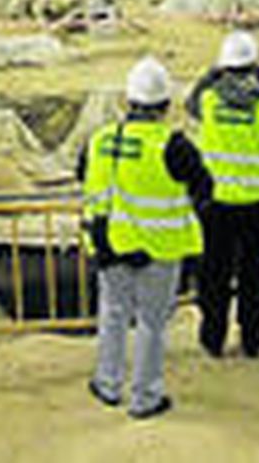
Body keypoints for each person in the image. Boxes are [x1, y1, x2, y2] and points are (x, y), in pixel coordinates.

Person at [80, 56, 212, 420]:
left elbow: (85, 177)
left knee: (112, 315)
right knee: (152, 324)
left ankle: (107, 384)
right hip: (160, 249)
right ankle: (145, 397)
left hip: (111, 245)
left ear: (128, 100)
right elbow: (204, 188)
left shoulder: (100, 139)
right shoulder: (174, 145)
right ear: (166, 105)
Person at [188, 31, 259, 358]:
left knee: (215, 272)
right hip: (258, 205)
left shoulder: (208, 100)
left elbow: (190, 101)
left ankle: (213, 337)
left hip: (218, 203)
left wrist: (213, 73)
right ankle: (252, 338)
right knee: (254, 274)